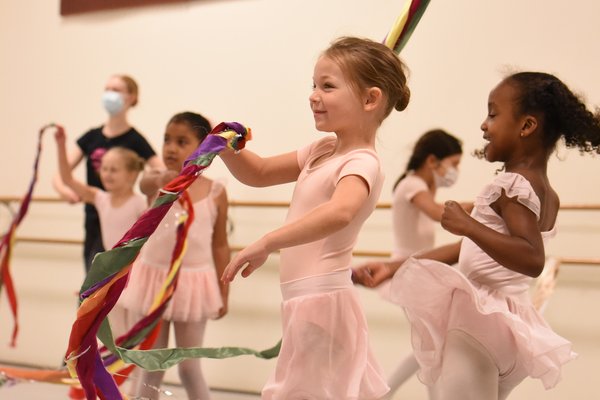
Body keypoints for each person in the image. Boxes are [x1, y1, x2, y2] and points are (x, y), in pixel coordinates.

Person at [357, 71, 600, 399]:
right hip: (510, 323)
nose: (484, 125)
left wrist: (468, 224)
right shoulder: (547, 193)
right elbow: (467, 248)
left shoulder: (511, 185)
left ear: (527, 126)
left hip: (478, 322)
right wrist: (395, 267)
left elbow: (531, 257)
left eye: (493, 114)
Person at [220, 36, 411, 399]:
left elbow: (341, 211)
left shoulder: (361, 163)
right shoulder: (323, 149)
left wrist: (266, 242)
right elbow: (258, 172)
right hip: (304, 300)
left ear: (371, 99)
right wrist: (223, 145)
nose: (313, 95)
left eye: (328, 86)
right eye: (313, 84)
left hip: (322, 301)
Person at [119, 112, 231, 400]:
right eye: (167, 139)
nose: (170, 147)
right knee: (151, 365)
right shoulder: (156, 182)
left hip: (194, 285)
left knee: (189, 368)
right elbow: (145, 183)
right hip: (153, 282)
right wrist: (165, 178)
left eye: (181, 141)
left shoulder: (216, 191)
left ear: (203, 147)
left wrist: (224, 290)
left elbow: (220, 245)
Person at [354, 129, 468, 399]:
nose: (455, 171)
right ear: (432, 161)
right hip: (409, 271)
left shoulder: (423, 185)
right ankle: (384, 394)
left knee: (431, 346)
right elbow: (438, 213)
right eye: (454, 164)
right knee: (432, 346)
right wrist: (486, 207)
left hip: (422, 270)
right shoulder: (413, 184)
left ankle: (387, 394)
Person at [52, 74, 161, 275]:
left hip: (126, 218)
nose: (110, 94)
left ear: (132, 97)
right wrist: (64, 191)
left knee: (125, 280)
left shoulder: (136, 140)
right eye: (107, 89)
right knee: (95, 282)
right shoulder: (91, 137)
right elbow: (63, 175)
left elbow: (162, 172)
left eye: (116, 90)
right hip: (95, 215)